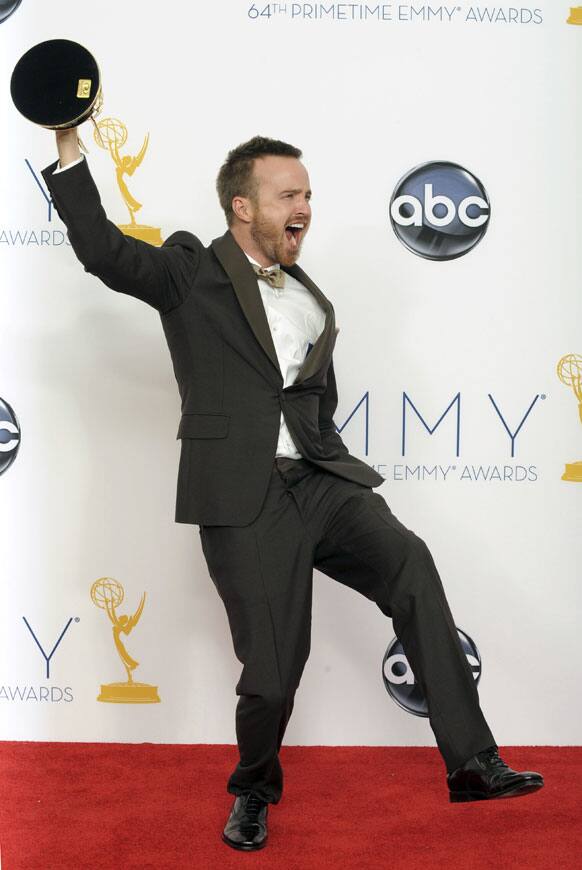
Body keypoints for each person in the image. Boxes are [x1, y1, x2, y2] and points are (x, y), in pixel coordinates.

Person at [43, 130, 543, 852]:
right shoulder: (192, 269)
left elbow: (312, 398)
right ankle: (253, 790)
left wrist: (329, 458)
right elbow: (103, 251)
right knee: (275, 673)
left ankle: (473, 763)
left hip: (321, 482)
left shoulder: (310, 293)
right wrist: (69, 144)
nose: (305, 206)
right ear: (243, 207)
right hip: (244, 496)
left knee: (410, 561)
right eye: (290, 195)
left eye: (308, 194)